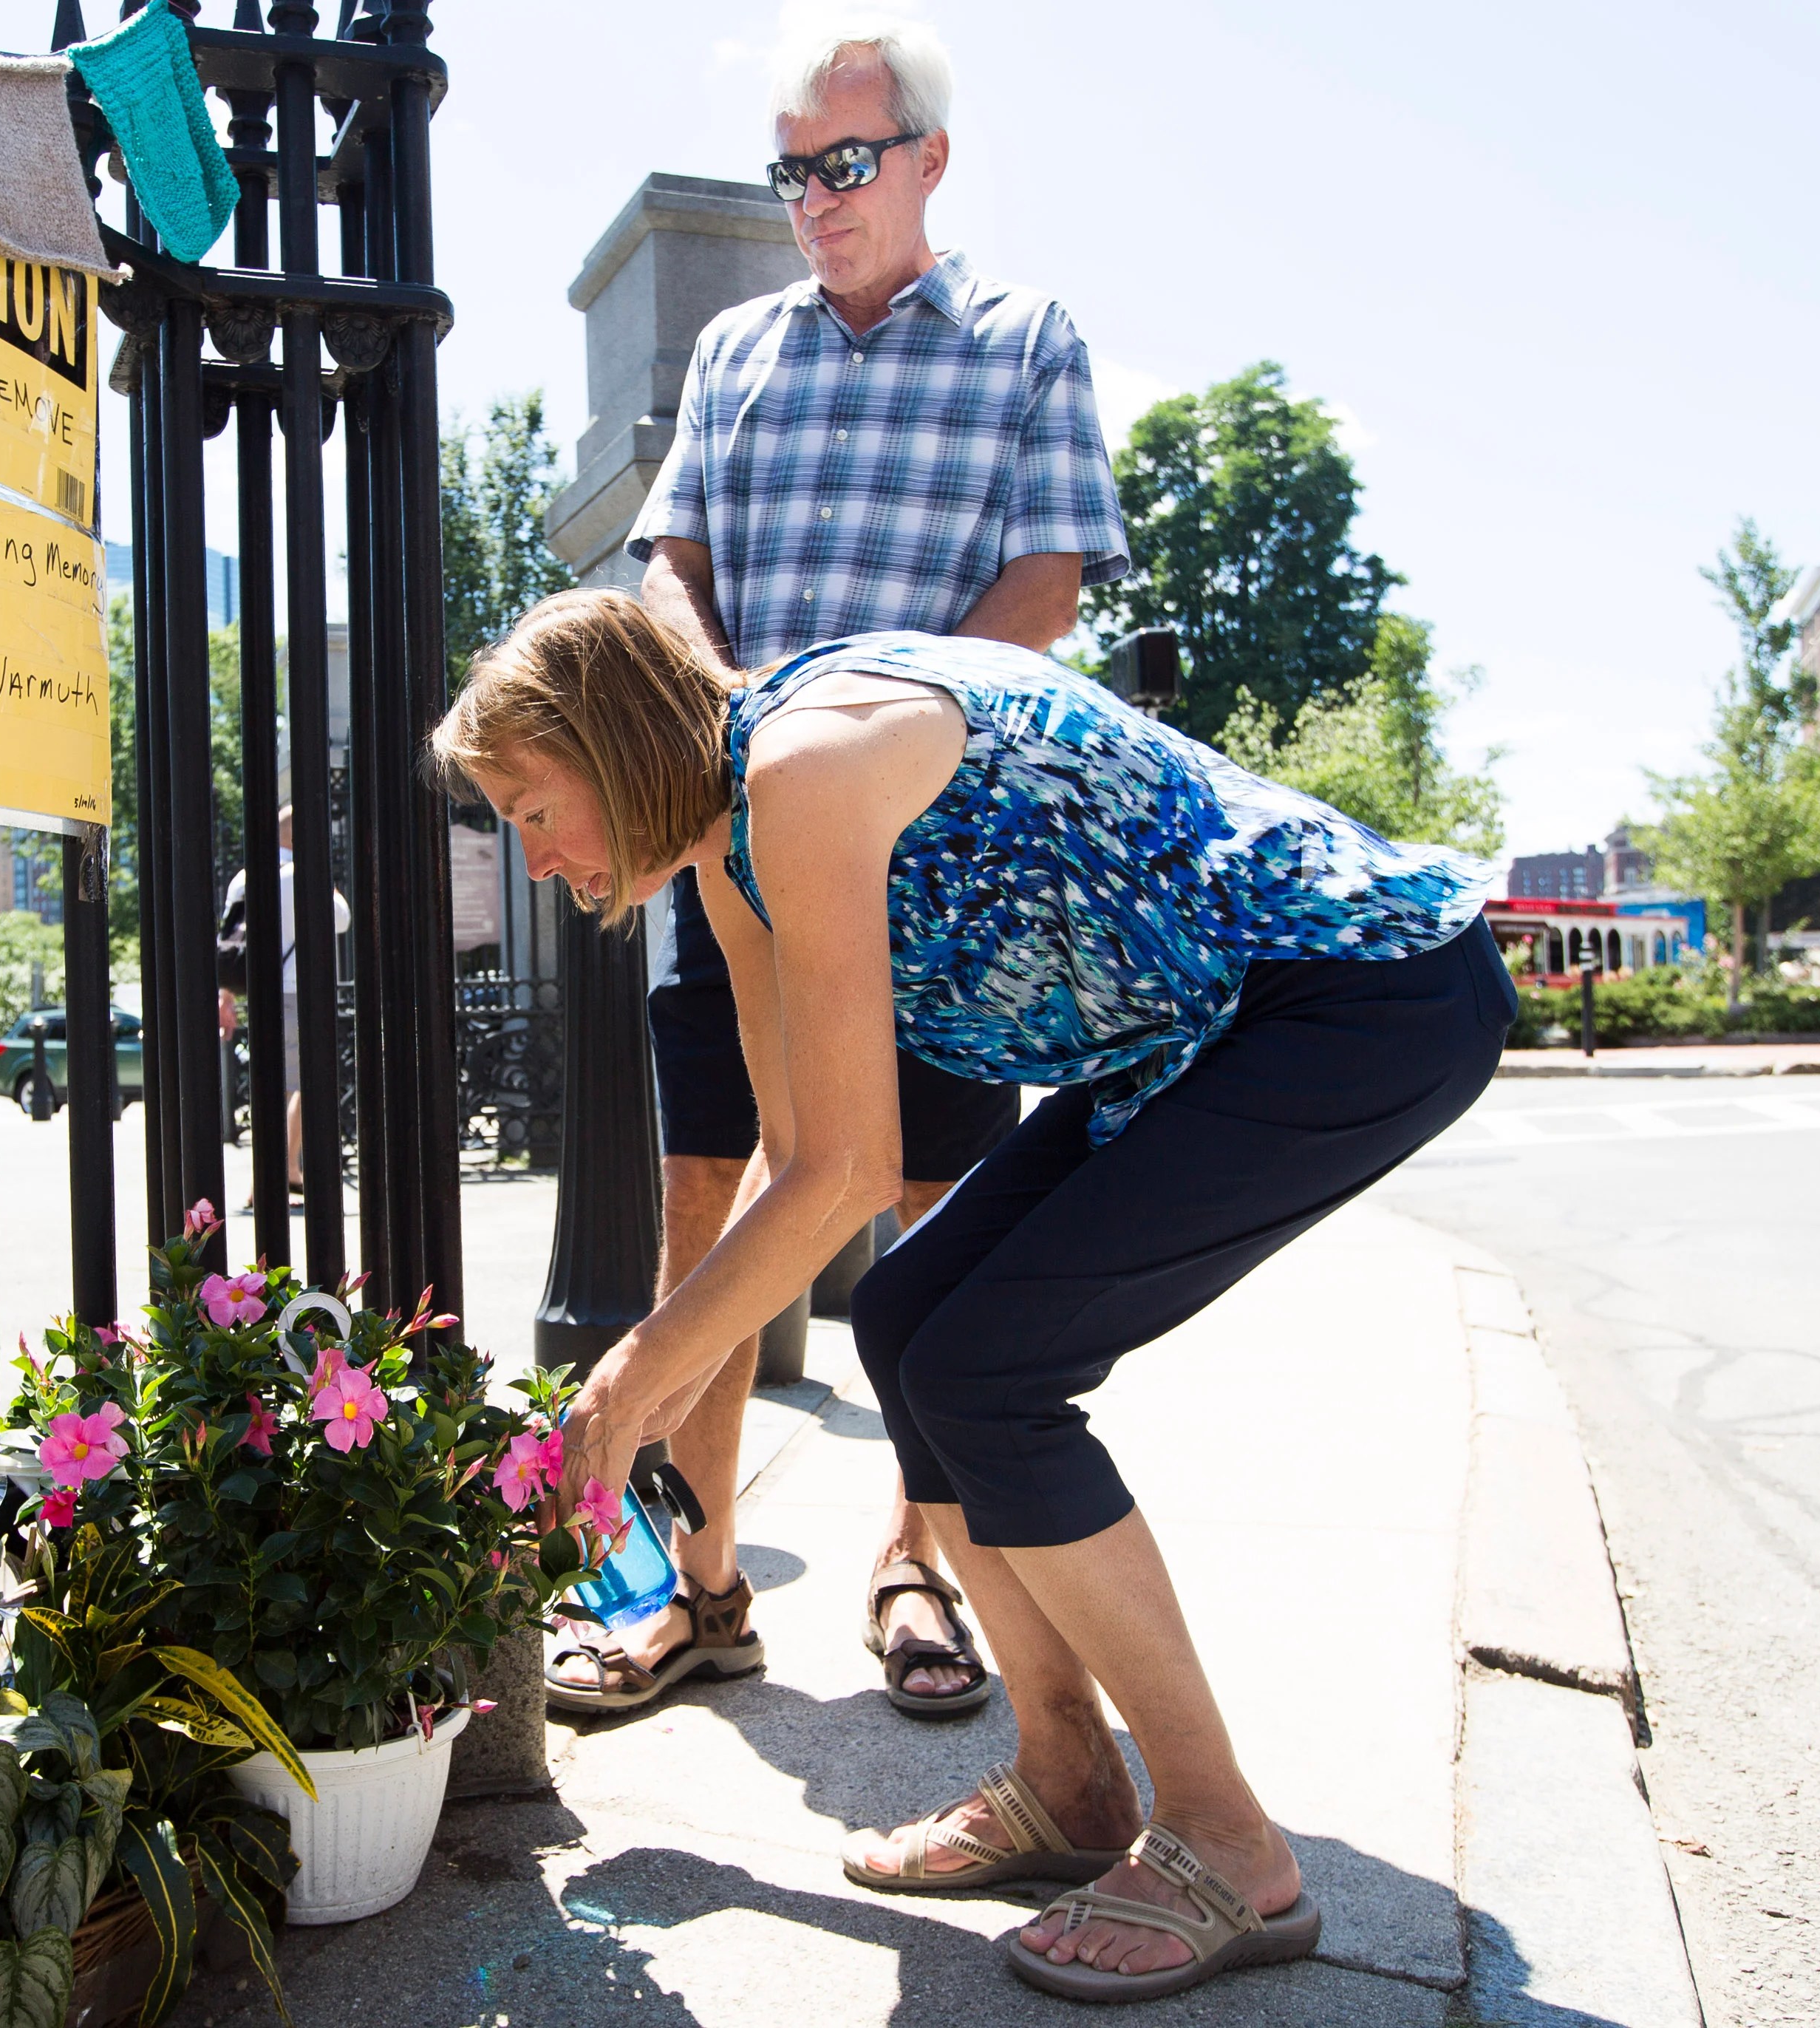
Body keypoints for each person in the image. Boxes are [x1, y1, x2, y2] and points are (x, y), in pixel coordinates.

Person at [435, 591, 1510, 2002]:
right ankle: (1069, 1781)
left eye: (529, 801)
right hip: (1198, 1033)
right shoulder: (729, 856)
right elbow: (794, 1156)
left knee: (991, 1365)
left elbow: (854, 1164)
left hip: (1358, 993)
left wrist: (634, 1376)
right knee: (909, 1322)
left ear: (618, 739)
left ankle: (1225, 1834)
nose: (530, 849)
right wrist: (659, 1375)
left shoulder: (802, 766)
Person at [548, 16, 1131, 1721]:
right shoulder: (735, 353)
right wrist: (727, 724)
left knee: (931, 1240)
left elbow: (1043, 588)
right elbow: (672, 563)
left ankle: (915, 1570)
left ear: (928, 160)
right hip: (725, 852)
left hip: (935, 867)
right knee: (701, 1213)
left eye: (842, 161)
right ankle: (692, 1586)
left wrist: (865, 751)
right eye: (789, 168)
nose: (811, 194)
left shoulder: (1028, 343)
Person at [220, 804, 350, 1197]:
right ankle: (282, 1170)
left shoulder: (245, 878)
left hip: (260, 992)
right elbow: (342, 919)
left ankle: (276, 1172)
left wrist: (225, 997)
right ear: (298, 838)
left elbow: (228, 941)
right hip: (297, 990)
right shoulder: (305, 874)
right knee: (305, 1083)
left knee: (270, 1083)